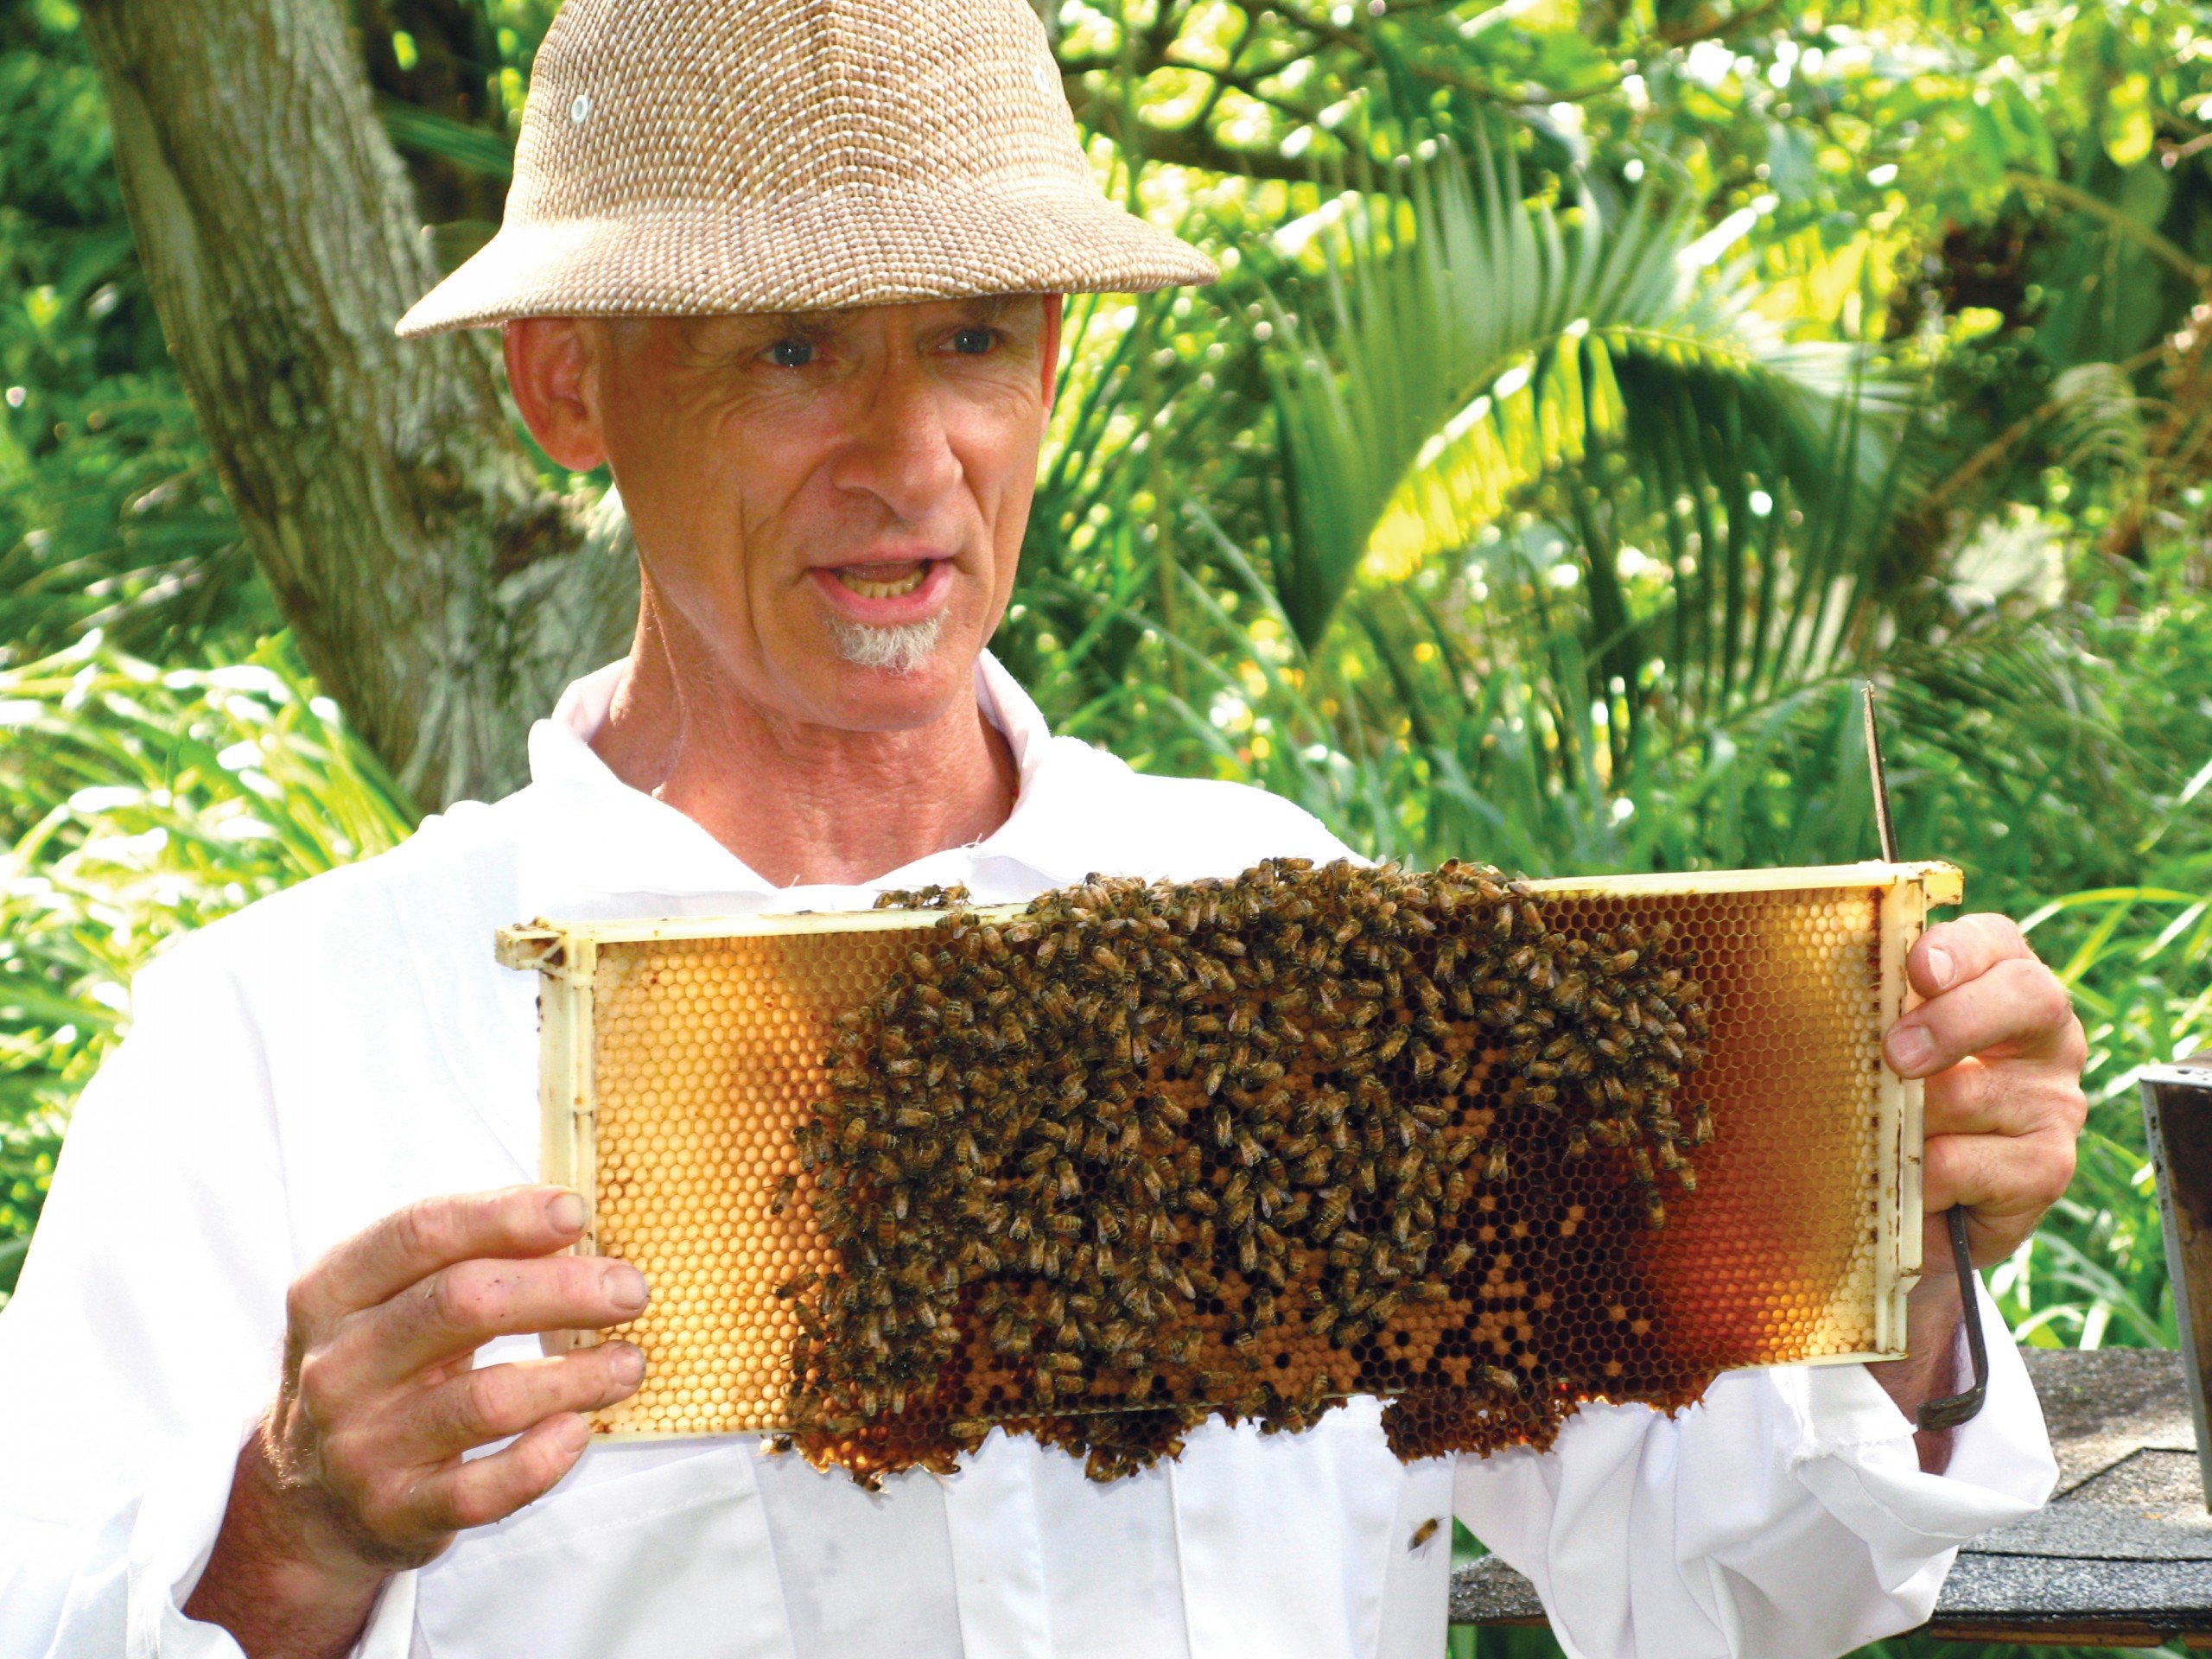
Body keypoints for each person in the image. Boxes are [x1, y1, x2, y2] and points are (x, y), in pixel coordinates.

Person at [0, 3, 2086, 1656]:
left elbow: (1749, 1580)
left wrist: (1893, 1252)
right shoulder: (277, 1048)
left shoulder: (1297, 938)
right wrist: (292, 1529)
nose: (907, 458)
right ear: (567, 388)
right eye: (793, 352)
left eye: (972, 340)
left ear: (1053, 365)